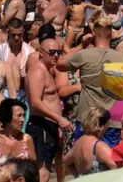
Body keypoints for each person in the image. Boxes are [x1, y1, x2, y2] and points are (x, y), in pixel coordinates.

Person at [56, 17, 123, 148]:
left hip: (86, 118)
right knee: (108, 161)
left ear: (94, 33)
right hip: (112, 121)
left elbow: (59, 64)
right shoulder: (122, 58)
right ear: (111, 34)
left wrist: (81, 45)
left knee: (84, 160)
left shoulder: (84, 55)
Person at [26, 38, 72, 182]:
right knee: (43, 172)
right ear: (40, 52)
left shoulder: (46, 70)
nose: (56, 56)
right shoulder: (38, 71)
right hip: (41, 126)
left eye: (58, 52)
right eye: (52, 52)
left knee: (46, 169)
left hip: (48, 126)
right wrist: (59, 118)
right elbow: (35, 102)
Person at [63, 107, 117, 176]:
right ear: (101, 125)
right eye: (107, 124)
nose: (108, 127)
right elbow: (114, 166)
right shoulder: (99, 146)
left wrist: (77, 177)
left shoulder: (78, 143)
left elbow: (65, 161)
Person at [0, 98, 35, 168]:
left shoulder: (27, 140)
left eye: (23, 115)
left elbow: (34, 169)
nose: (22, 119)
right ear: (7, 117)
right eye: (19, 116)